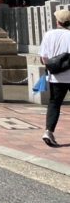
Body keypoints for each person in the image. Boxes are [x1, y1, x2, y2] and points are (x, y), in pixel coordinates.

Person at [39, 8, 70, 147]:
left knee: (54, 103)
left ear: (57, 21)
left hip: (55, 76)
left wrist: (52, 67)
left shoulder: (48, 35)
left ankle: (48, 131)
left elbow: (43, 58)